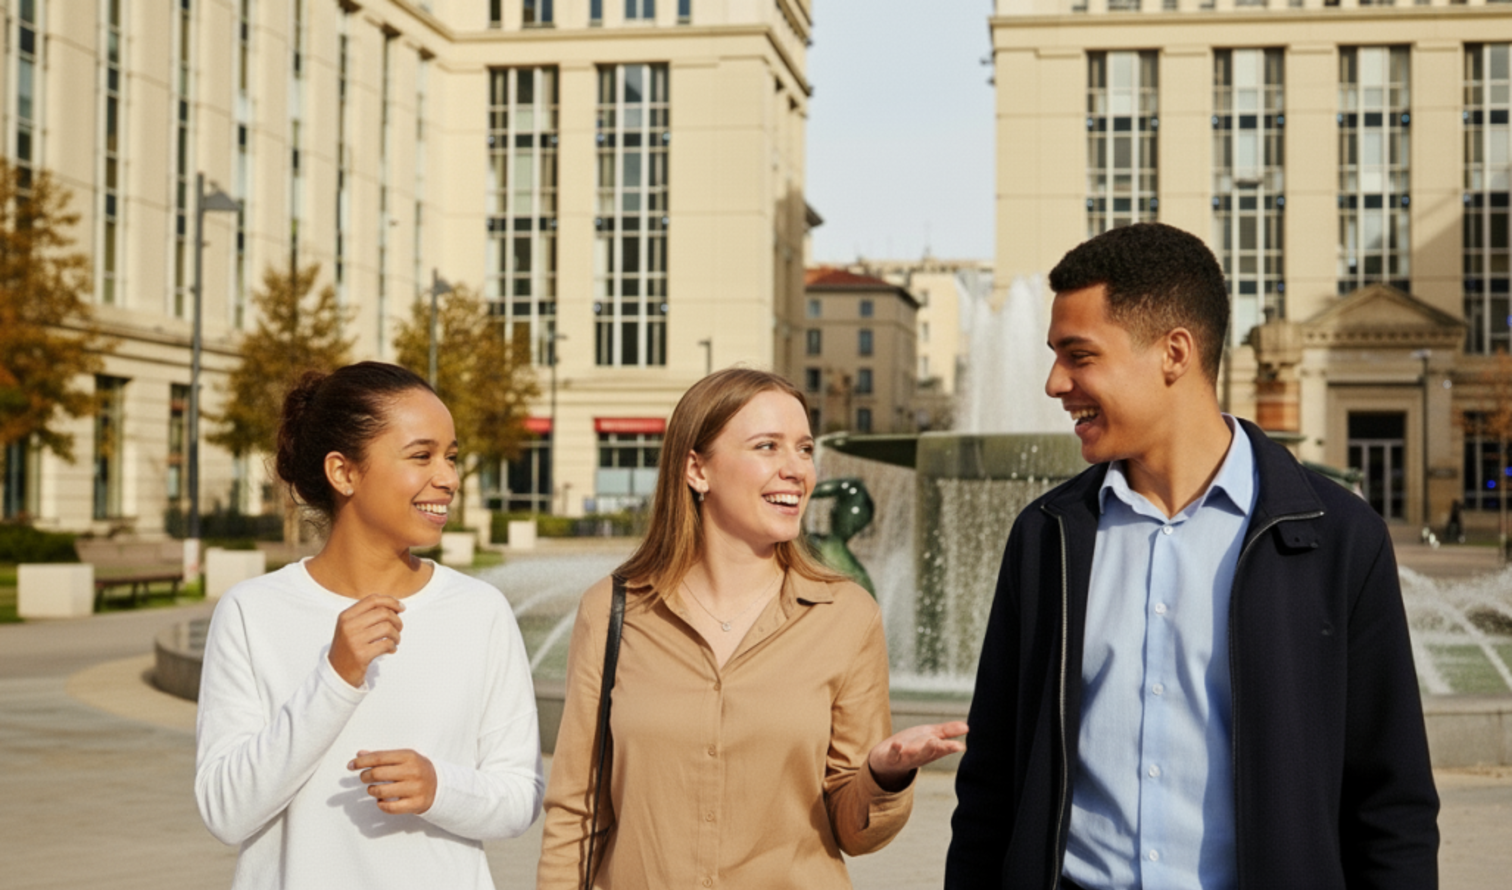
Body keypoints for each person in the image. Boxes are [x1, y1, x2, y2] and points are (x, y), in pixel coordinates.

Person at [945, 224, 1439, 890]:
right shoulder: (1046, 535)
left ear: (1174, 352)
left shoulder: (1338, 537)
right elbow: (990, 788)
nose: (1055, 382)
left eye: (1079, 354)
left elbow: (1391, 803)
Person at [536, 367, 968, 889]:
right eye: (768, 446)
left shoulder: (847, 615)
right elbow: (576, 812)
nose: (797, 470)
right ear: (698, 470)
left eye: (804, 449)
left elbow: (856, 833)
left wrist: (883, 773)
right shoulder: (612, 608)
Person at [195, 361, 544, 889]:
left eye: (450, 457)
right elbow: (226, 811)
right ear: (344, 473)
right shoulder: (252, 612)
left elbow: (520, 797)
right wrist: (334, 677)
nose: (448, 478)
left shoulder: (480, 611)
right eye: (421, 456)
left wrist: (439, 788)